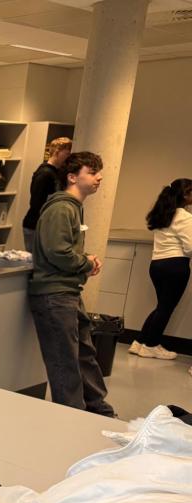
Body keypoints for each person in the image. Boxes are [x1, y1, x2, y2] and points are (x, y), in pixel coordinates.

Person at [28, 151, 116, 418]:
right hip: (54, 294)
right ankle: (72, 417)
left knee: (84, 355)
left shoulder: (73, 207)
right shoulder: (61, 209)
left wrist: (84, 259)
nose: (99, 178)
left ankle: (98, 410)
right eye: (92, 172)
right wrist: (85, 263)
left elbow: (63, 249)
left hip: (67, 292)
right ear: (72, 177)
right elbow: (57, 251)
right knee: (64, 361)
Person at [129, 178, 192, 360]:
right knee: (166, 308)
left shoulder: (164, 213)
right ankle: (151, 346)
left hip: (157, 265)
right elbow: (190, 248)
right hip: (176, 266)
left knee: (162, 306)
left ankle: (140, 342)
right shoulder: (185, 217)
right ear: (185, 195)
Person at [22, 137, 72, 252]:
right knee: (36, 260)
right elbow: (36, 203)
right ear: (57, 152)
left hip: (45, 224)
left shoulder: (57, 172)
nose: (68, 158)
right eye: (67, 154)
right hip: (36, 224)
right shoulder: (45, 173)